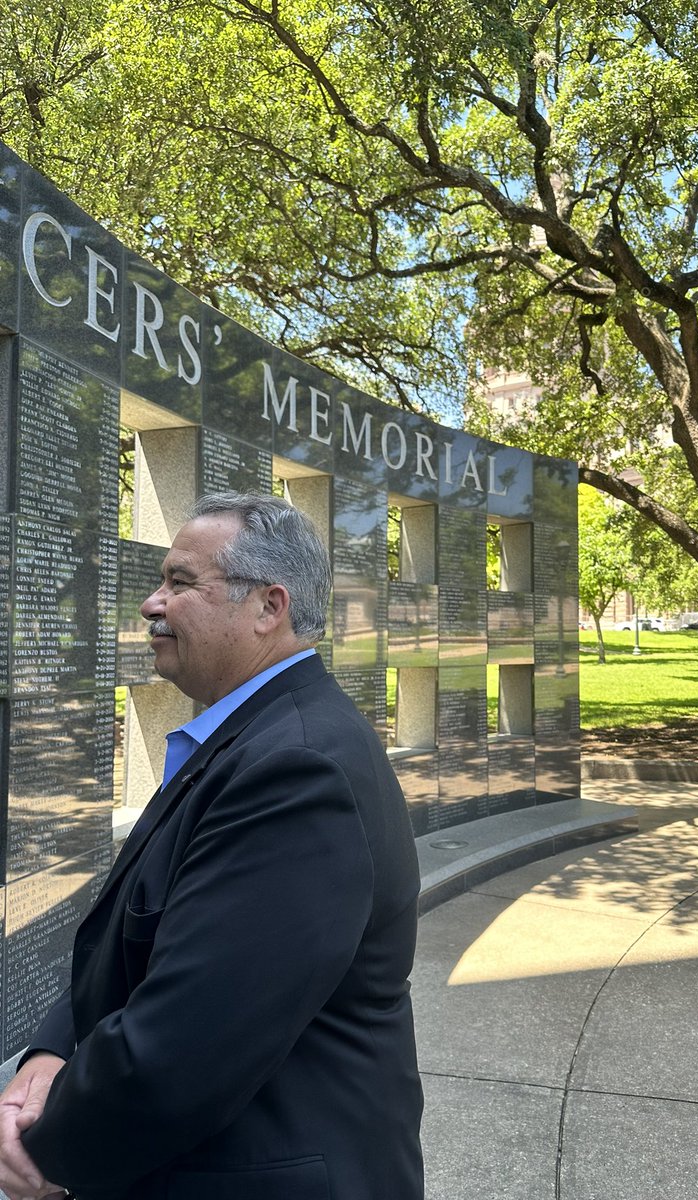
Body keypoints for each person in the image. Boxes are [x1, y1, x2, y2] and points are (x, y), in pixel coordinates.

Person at [0, 493, 424, 1200]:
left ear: (268, 607)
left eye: (180, 582)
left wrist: (46, 1150)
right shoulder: (247, 737)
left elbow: (188, 1041)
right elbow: (131, 937)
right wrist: (51, 1051)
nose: (151, 604)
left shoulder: (297, 768)